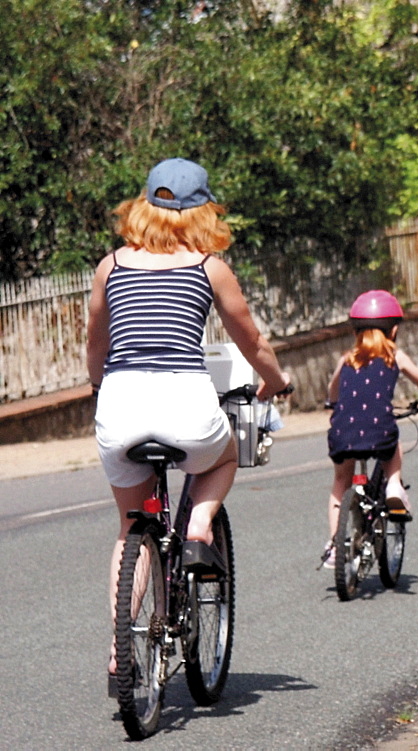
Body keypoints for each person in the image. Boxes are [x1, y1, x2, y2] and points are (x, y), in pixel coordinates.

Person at [87, 158, 291, 675]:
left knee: (129, 525)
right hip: (187, 408)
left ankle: (118, 648)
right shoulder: (208, 267)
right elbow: (251, 340)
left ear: (144, 206)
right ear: (203, 211)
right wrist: (277, 381)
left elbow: (95, 341)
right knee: (226, 453)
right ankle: (200, 524)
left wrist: (98, 386)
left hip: (120, 406)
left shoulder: (110, 266)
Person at [323, 290, 418, 564]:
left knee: (341, 483)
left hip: (343, 431)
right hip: (379, 430)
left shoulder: (347, 358)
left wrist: (333, 405)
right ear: (393, 330)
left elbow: (333, 390)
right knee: (392, 441)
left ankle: (335, 546)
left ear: (355, 330)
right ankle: (393, 485)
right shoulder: (395, 356)